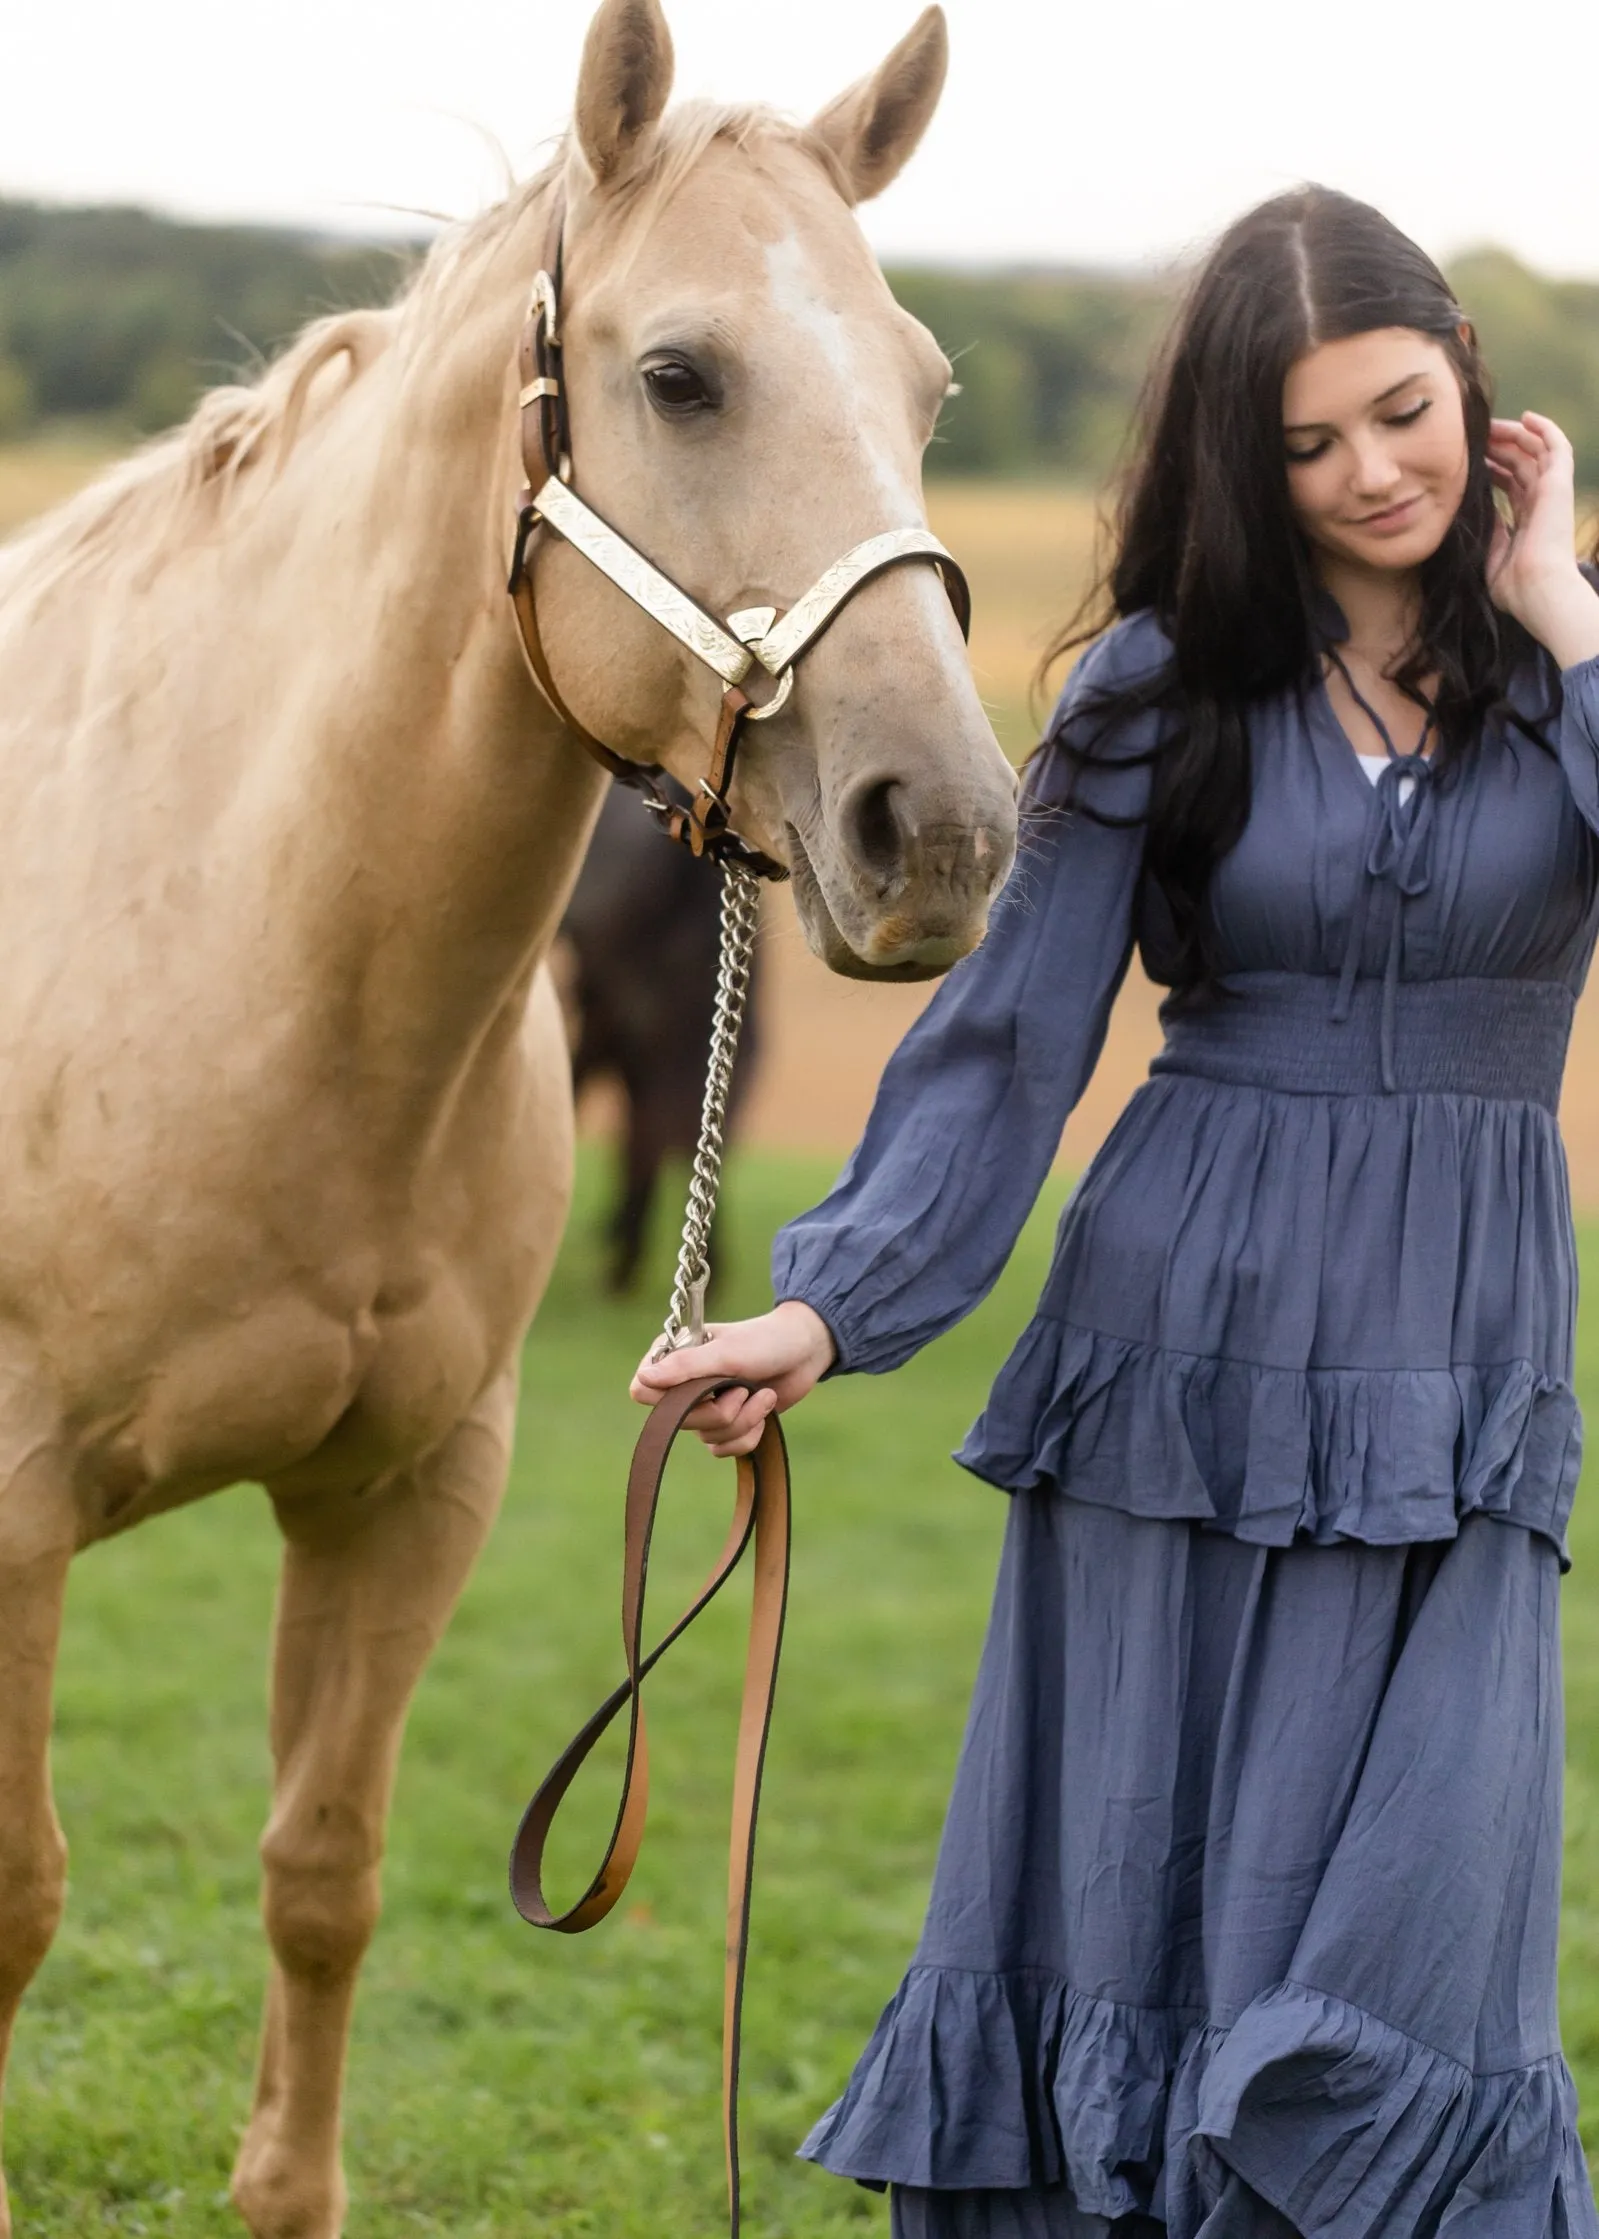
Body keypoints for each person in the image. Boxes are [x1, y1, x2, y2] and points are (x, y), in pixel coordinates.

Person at [633, 185, 1599, 2238]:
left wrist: (1569, 610)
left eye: (1402, 414)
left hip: (1458, 1373)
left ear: (1477, 398)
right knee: (1131, 1891)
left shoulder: (1556, 675)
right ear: (1239, 467)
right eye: (1307, 443)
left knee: (1423, 1926)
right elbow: (1011, 1036)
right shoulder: (1162, 686)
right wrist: (829, 1310)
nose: (1368, 475)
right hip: (1178, 1349)